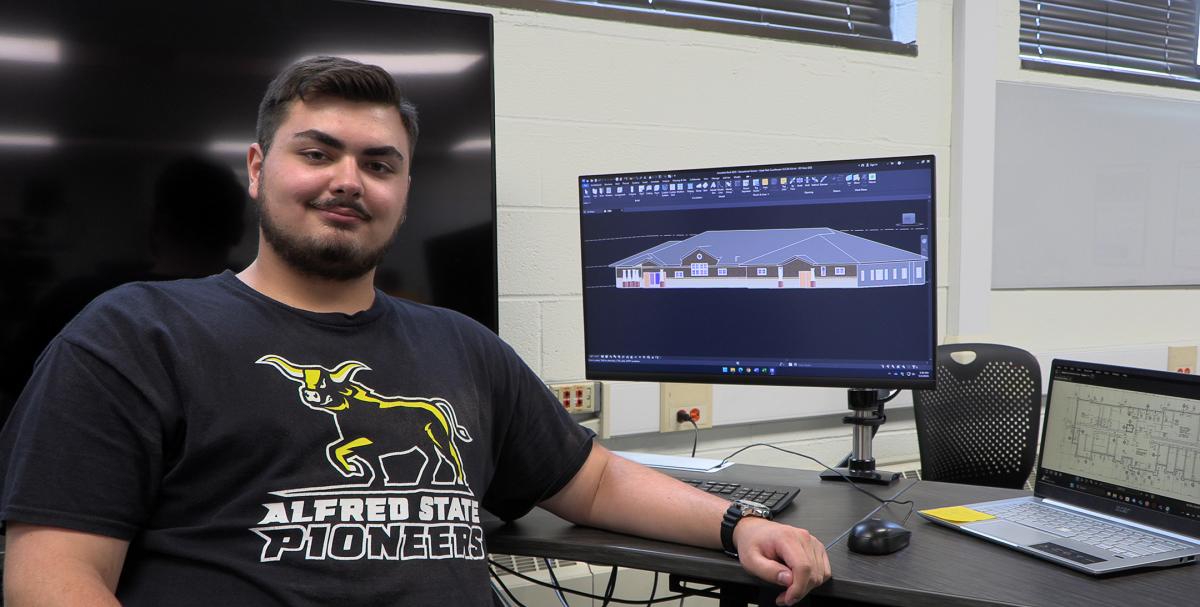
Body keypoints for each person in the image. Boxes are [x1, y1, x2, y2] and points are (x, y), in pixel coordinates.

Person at [0, 56, 830, 606]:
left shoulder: (460, 345)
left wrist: (737, 523)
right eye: (317, 152)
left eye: (378, 162)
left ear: (402, 187)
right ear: (258, 170)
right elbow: (52, 575)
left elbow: (597, 481)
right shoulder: (134, 334)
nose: (347, 181)